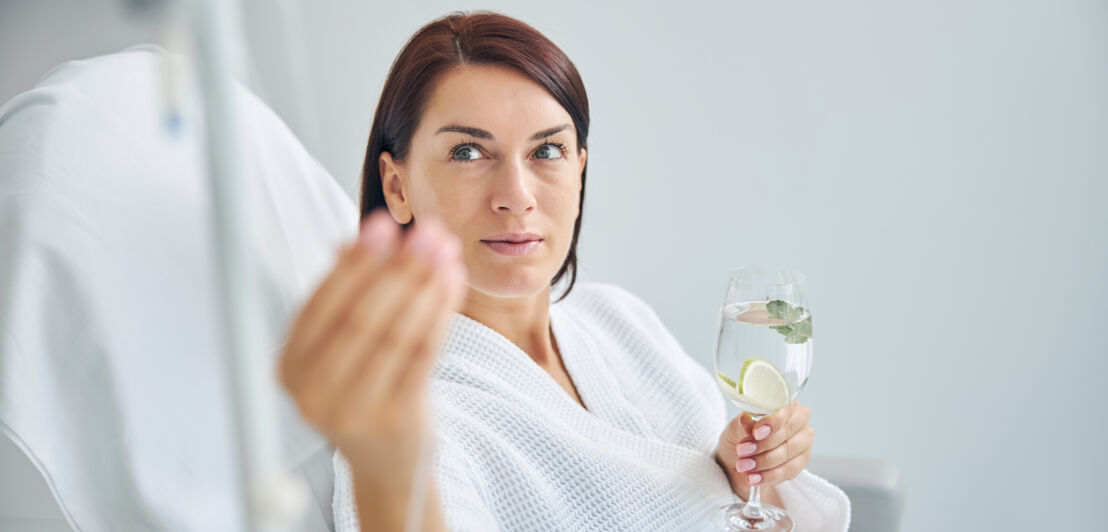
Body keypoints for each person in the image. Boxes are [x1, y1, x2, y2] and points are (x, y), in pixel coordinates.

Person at [278, 10, 850, 532]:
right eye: (468, 153)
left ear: (579, 168)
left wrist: (745, 474)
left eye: (546, 151)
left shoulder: (620, 320)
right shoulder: (420, 415)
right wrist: (390, 469)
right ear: (397, 187)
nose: (516, 196)